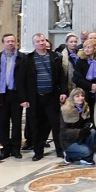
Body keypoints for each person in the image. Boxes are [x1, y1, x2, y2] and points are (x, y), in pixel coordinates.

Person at [25, 33, 67, 161]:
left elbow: (61, 76)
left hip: (51, 96)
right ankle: (38, 151)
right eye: (38, 41)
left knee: (56, 124)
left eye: (43, 40)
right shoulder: (28, 58)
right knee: (37, 125)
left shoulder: (54, 56)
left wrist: (63, 92)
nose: (41, 43)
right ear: (34, 44)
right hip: (35, 97)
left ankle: (60, 150)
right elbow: (22, 80)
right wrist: (24, 98)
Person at [0, 33, 27, 161]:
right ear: (3, 43)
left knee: (16, 123)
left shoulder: (23, 58)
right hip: (2, 94)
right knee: (3, 122)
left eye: (12, 41)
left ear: (16, 42)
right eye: (7, 41)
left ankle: (16, 148)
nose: (10, 43)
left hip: (16, 94)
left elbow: (26, 79)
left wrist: (24, 98)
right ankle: (5, 148)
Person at [60, 88, 95, 164]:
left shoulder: (86, 108)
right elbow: (63, 131)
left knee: (93, 132)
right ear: (72, 98)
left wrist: (88, 127)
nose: (81, 98)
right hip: (69, 140)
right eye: (77, 96)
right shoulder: (65, 110)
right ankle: (69, 156)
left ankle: (85, 155)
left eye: (82, 96)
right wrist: (79, 132)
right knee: (87, 151)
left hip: (81, 138)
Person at [73, 38, 96, 110]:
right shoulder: (80, 61)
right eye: (85, 47)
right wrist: (90, 86)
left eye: (89, 47)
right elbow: (76, 78)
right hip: (84, 90)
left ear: (95, 49)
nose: (86, 49)